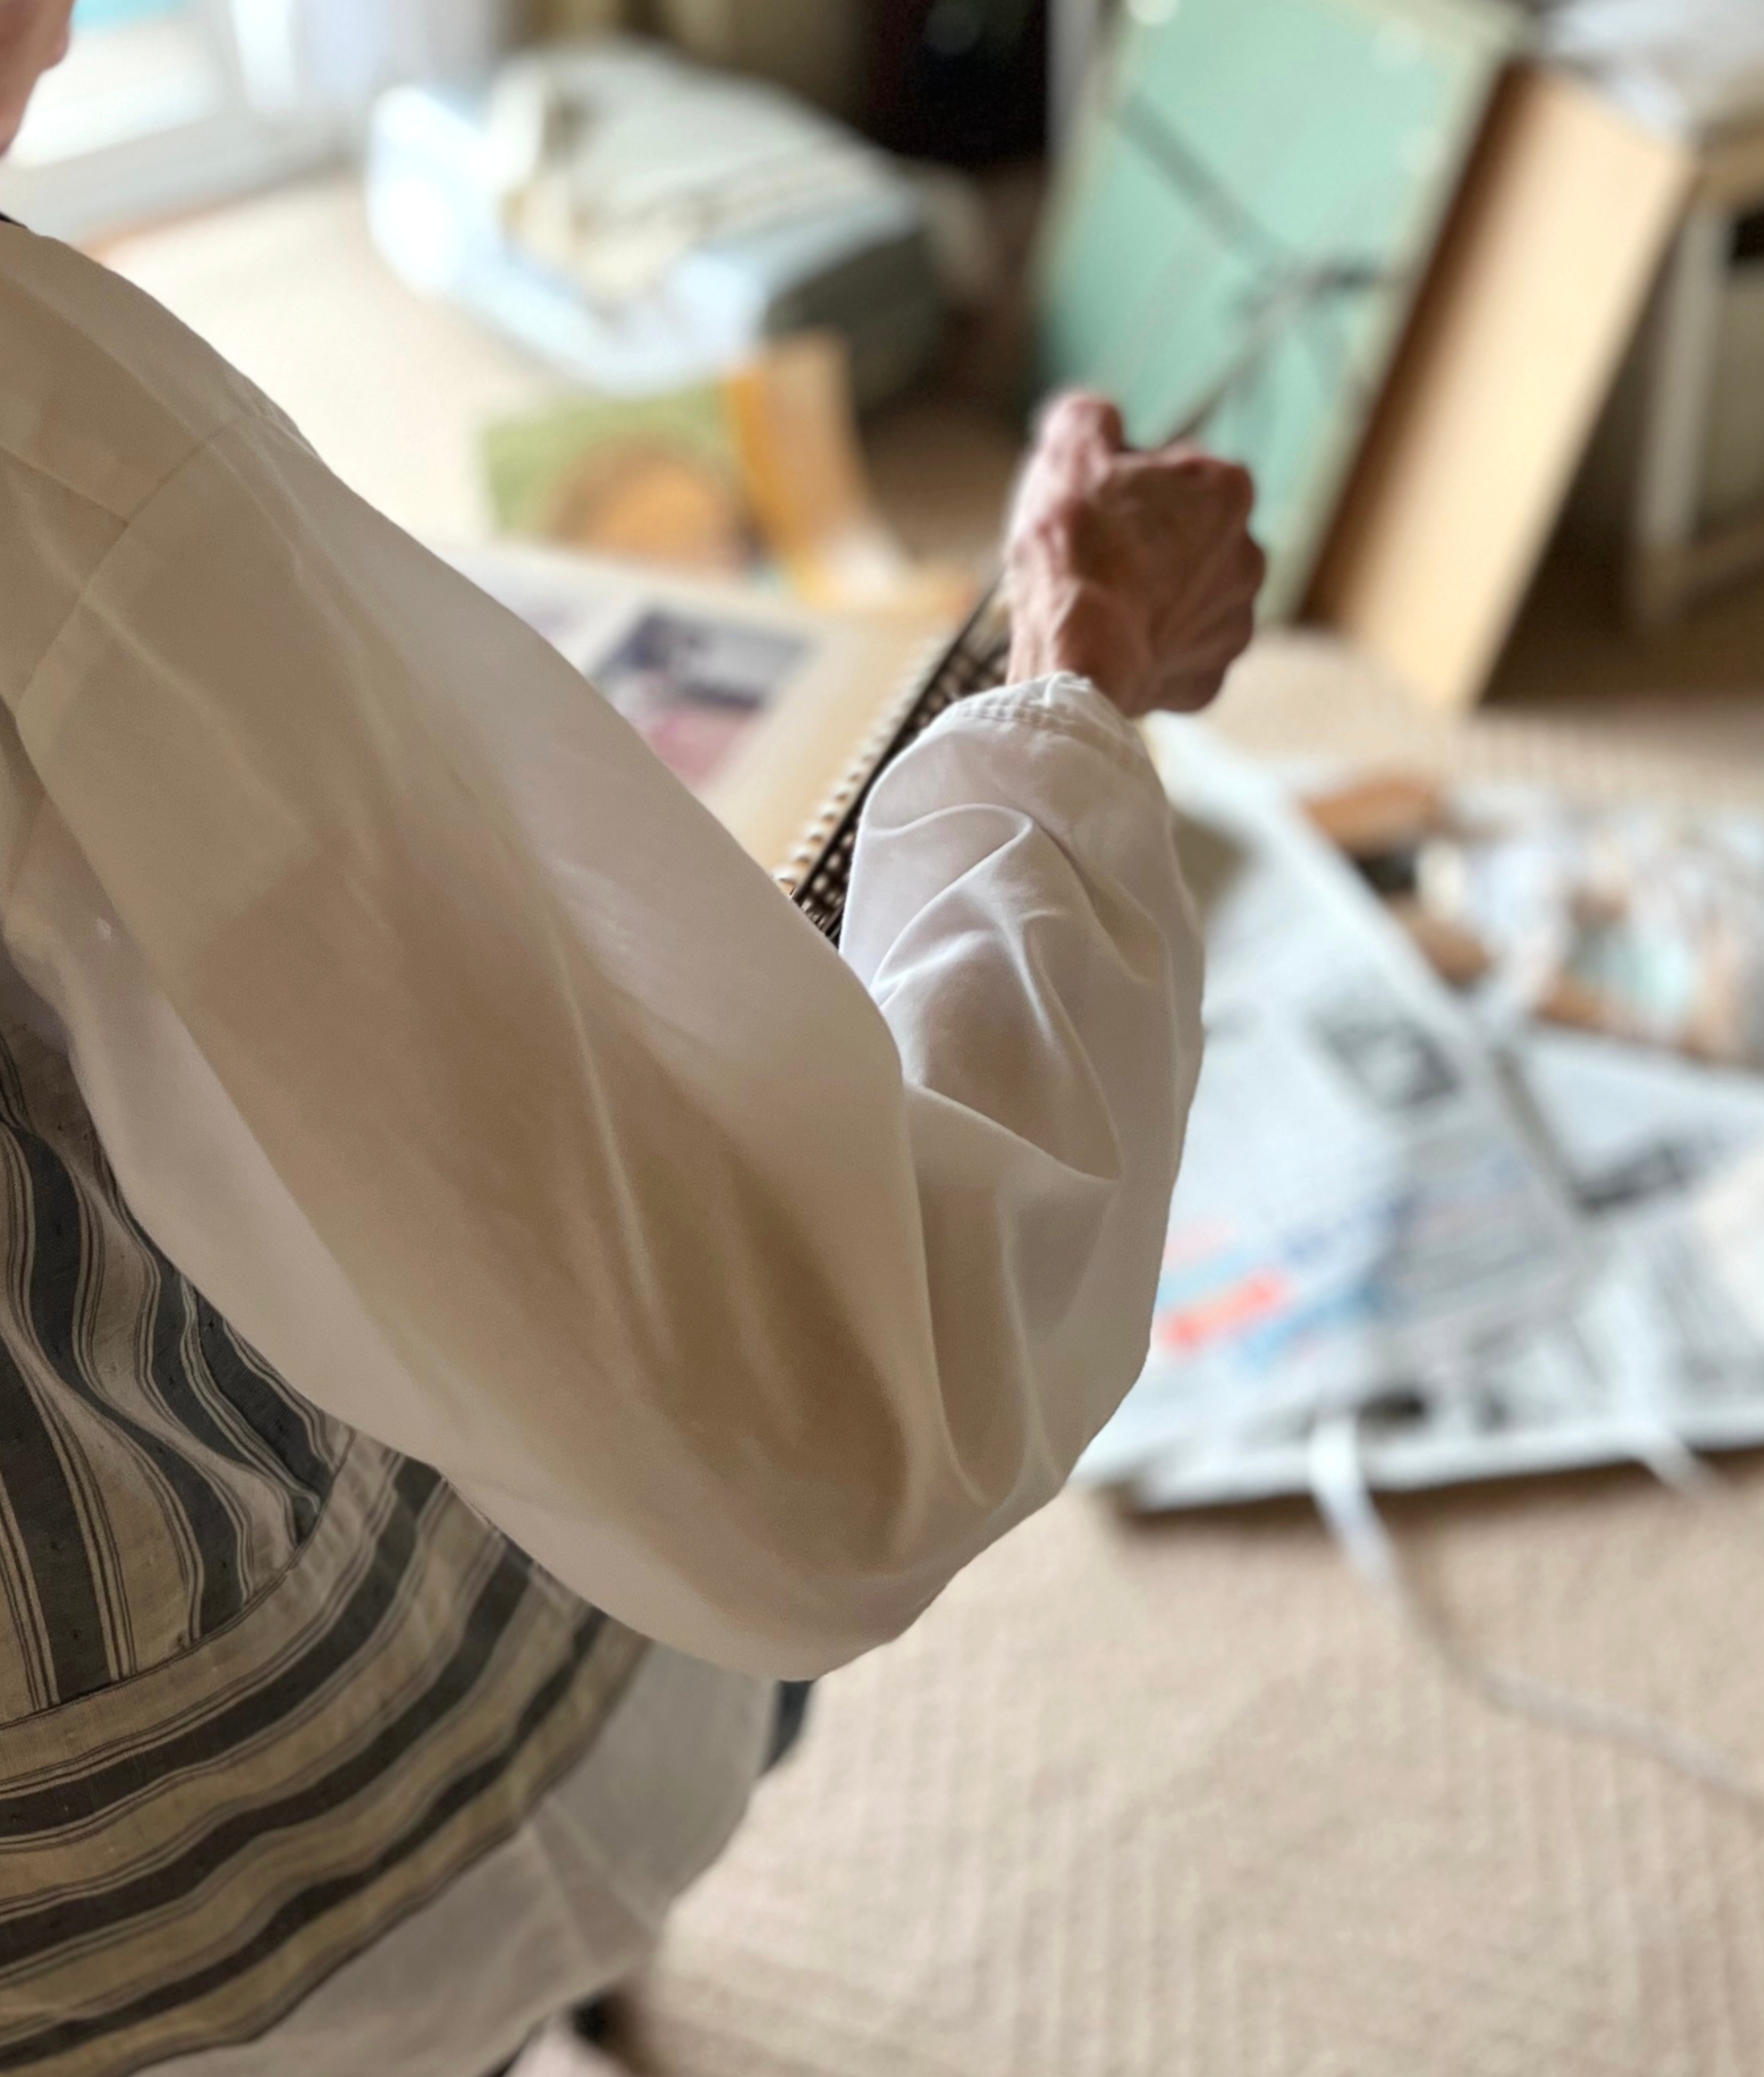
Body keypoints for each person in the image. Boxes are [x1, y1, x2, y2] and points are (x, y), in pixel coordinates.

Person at [0, 5, 1263, 2071]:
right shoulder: (43, 467)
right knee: (654, 1508)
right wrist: (1073, 690)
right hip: (155, 1889)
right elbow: (841, 1424)